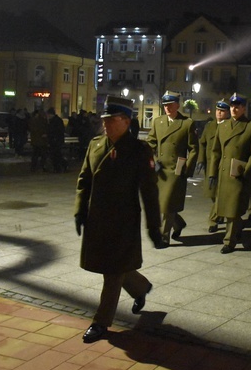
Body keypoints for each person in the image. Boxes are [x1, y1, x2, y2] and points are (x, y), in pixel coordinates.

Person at [74, 96, 163, 343]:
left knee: (112, 272)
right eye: (104, 119)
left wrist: (154, 227)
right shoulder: (95, 145)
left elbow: (149, 191)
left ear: (125, 121)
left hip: (124, 222)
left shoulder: (139, 151)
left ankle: (101, 322)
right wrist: (80, 211)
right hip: (97, 219)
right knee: (113, 266)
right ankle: (141, 287)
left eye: (110, 120)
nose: (105, 124)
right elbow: (84, 181)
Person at [209, 93, 251, 254]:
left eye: (237, 107)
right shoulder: (223, 126)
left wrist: (246, 170)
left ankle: (229, 241)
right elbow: (216, 151)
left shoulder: (250, 127)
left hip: (238, 175)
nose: (234, 109)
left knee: (233, 210)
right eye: (232, 106)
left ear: (244, 108)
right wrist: (212, 172)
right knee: (225, 208)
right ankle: (235, 231)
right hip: (224, 173)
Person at [146, 91, 198, 246]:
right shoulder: (158, 122)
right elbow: (151, 142)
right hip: (160, 170)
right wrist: (153, 161)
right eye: (165, 105)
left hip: (176, 170)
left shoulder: (187, 123)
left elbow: (194, 148)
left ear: (178, 105)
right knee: (163, 204)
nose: (167, 108)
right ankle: (178, 223)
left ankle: (164, 236)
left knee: (168, 203)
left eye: (170, 105)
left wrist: (187, 169)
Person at [196, 99, 229, 233]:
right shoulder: (210, 126)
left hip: (222, 165)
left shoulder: (229, 126)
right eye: (218, 110)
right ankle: (220, 213)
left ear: (227, 113)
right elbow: (202, 143)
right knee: (212, 193)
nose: (219, 113)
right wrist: (200, 160)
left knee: (220, 193)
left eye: (222, 111)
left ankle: (213, 220)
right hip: (210, 165)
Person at [46, 108, 68, 172]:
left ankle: (59, 167)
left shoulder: (54, 121)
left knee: (56, 155)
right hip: (56, 140)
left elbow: (55, 131)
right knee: (56, 154)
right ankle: (59, 167)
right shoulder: (57, 120)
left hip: (55, 140)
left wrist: (51, 136)